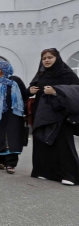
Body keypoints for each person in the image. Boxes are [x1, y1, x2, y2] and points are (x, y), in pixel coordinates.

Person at [29, 48, 79, 185]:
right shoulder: (42, 74)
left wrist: (56, 92)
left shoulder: (67, 74)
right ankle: (44, 171)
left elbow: (75, 92)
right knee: (42, 142)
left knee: (63, 144)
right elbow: (32, 86)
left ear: (57, 58)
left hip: (61, 114)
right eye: (44, 58)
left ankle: (69, 175)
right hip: (43, 114)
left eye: (50, 57)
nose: (47, 60)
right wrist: (30, 90)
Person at [0, 61, 29, 174]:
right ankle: (2, 161)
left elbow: (24, 94)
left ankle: (11, 163)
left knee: (12, 138)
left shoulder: (15, 80)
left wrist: (25, 112)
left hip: (14, 114)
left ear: (4, 68)